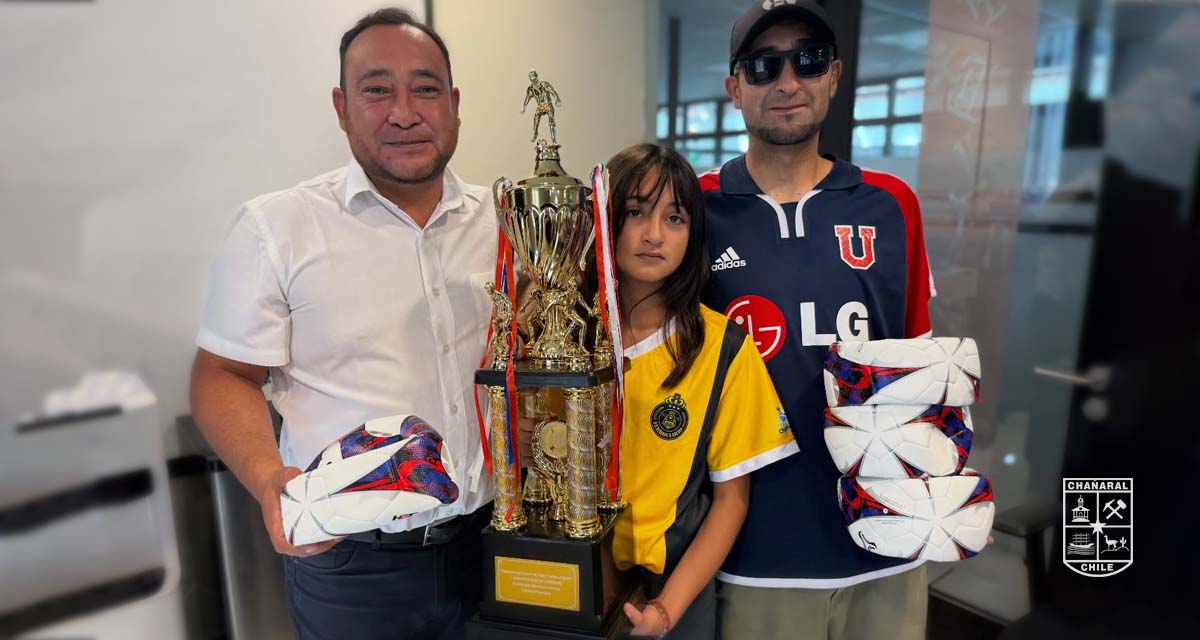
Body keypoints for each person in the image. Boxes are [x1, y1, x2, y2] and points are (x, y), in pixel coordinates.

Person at [189, 8, 496, 639]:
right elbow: (223, 375)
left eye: (426, 89)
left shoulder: (504, 222)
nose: (405, 112)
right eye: (377, 90)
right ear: (341, 107)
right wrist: (268, 478)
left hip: (494, 544)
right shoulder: (278, 228)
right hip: (353, 565)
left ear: (454, 104)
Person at [700, 2, 935, 639]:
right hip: (752, 552)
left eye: (806, 61)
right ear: (734, 88)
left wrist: (944, 488)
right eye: (763, 65)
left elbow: (922, 372)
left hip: (887, 536)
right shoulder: (692, 210)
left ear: (833, 75)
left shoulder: (893, 205)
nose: (787, 81)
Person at [593, 143, 799, 638]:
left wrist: (666, 610)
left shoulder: (722, 347)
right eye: (635, 212)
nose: (654, 234)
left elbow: (732, 502)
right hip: (573, 580)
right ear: (604, 219)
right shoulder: (567, 338)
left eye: (675, 218)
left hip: (673, 593)